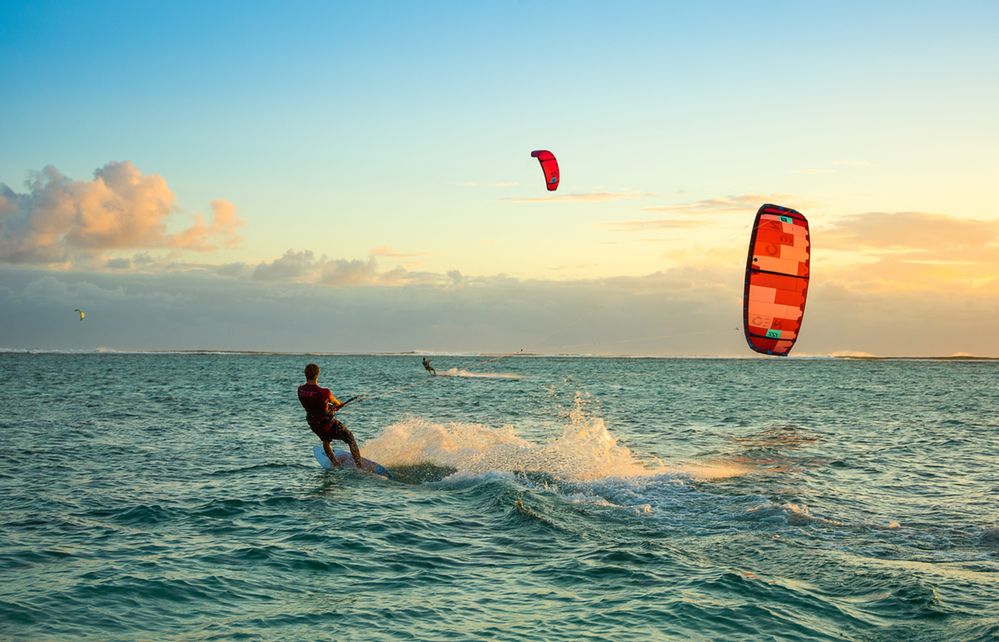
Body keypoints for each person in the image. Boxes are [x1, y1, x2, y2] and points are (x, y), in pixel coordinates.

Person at [297, 363, 368, 470]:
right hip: (328, 425)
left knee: (325, 439)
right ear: (318, 374)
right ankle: (360, 466)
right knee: (350, 438)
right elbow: (336, 403)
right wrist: (336, 406)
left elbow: (314, 405)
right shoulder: (324, 392)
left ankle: (334, 463)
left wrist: (329, 407)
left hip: (314, 425)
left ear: (305, 374)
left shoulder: (300, 390)